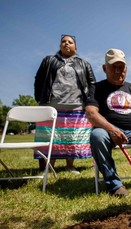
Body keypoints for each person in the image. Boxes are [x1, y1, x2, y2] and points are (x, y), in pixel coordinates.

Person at [85, 49, 131, 197]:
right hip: (107, 131)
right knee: (97, 136)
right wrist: (112, 129)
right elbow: (91, 113)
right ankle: (115, 185)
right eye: (114, 67)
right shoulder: (96, 88)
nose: (119, 71)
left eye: (122, 67)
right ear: (105, 68)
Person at [34, 34, 96, 174]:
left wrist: (90, 101)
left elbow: (92, 83)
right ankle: (49, 166)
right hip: (51, 105)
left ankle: (70, 165)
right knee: (50, 137)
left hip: (76, 106)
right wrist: (39, 97)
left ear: (75, 47)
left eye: (70, 42)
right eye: (63, 41)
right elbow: (39, 79)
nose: (66, 43)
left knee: (72, 137)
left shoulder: (83, 63)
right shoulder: (49, 60)